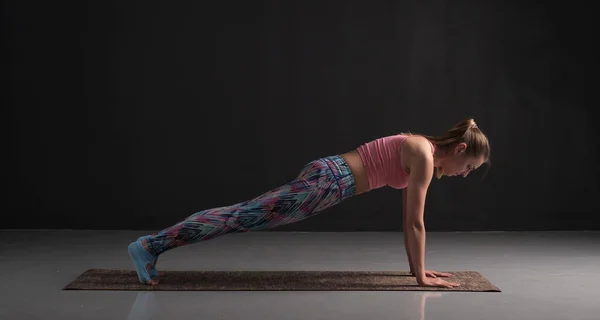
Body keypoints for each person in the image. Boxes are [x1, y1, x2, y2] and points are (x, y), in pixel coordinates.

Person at [128, 118, 490, 289]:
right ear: (460, 149)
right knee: (239, 216)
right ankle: (149, 245)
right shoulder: (423, 155)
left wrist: (418, 271)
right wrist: (422, 277)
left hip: (329, 179)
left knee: (241, 216)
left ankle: (151, 246)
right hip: (329, 182)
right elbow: (414, 222)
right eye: (469, 167)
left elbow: (409, 221)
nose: (465, 174)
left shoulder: (421, 149)